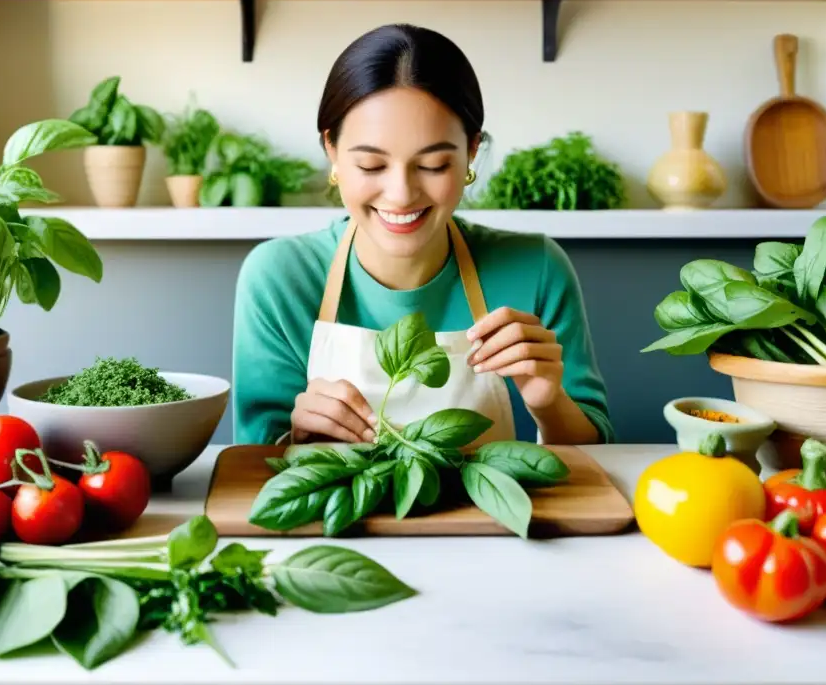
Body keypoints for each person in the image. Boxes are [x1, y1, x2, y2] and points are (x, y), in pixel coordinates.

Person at [232, 23, 613, 448]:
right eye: (372, 166)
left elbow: (597, 455)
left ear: (471, 150)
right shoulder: (278, 277)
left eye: (432, 165)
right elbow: (253, 465)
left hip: (487, 517)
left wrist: (548, 400)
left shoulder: (538, 268)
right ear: (332, 152)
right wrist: (296, 436)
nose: (401, 194)